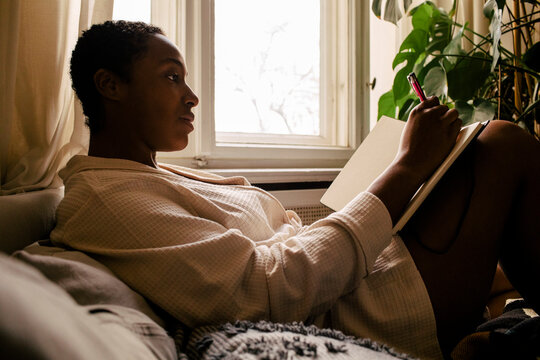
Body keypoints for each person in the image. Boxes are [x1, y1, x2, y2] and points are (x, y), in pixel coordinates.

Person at [51, 20, 540, 359]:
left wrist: (404, 184)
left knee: (479, 168)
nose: (191, 95)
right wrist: (407, 168)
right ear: (110, 86)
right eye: (171, 77)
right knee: (502, 144)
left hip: (360, 278)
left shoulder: (146, 176)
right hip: (364, 313)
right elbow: (267, 291)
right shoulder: (104, 201)